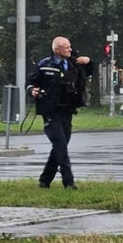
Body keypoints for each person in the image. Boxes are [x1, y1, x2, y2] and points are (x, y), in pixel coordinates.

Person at [27, 36, 93, 189]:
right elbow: (30, 82)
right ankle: (68, 182)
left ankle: (44, 180)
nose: (70, 49)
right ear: (57, 50)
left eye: (70, 46)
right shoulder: (44, 65)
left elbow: (88, 73)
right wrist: (32, 90)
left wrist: (89, 61)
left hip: (67, 111)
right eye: (66, 47)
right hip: (50, 112)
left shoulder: (73, 64)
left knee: (59, 147)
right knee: (61, 147)